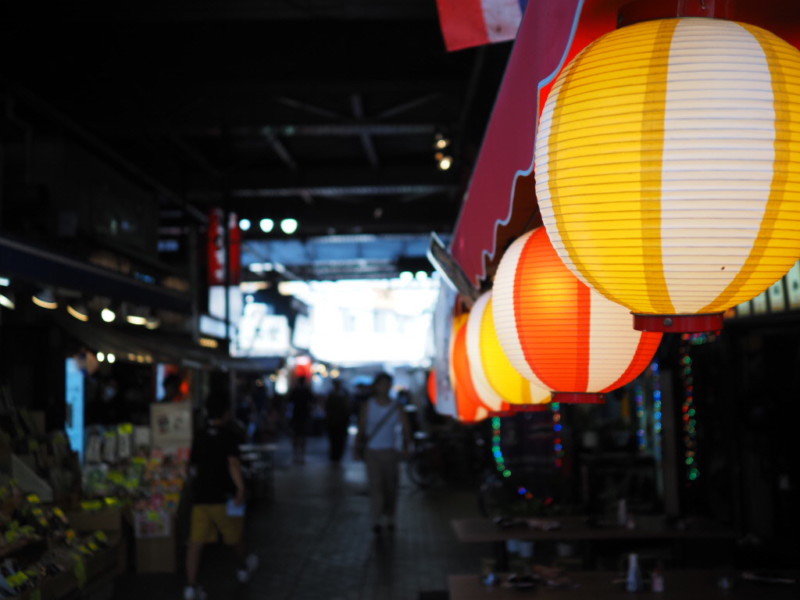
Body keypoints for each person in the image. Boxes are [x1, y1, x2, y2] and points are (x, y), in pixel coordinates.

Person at [184, 394, 258, 600]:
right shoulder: (229, 435)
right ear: (225, 413)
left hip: (201, 496)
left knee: (195, 543)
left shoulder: (199, 435)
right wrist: (241, 489)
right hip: (223, 497)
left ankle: (191, 586)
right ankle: (244, 566)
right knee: (234, 537)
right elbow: (233, 464)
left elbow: (192, 467)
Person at [357, 372, 411, 534]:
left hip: (390, 452)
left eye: (387, 384)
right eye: (382, 384)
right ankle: (377, 518)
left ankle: (390, 515)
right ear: (376, 386)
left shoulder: (396, 406)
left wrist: (407, 446)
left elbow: (406, 428)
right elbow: (361, 427)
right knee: (376, 487)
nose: (384, 387)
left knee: (391, 487)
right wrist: (357, 447)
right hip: (372, 452)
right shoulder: (368, 405)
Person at [288, 376, 314, 464]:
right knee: (300, 436)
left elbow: (289, 401)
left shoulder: (298, 390)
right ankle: (299, 455)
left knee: (298, 436)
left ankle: (298, 454)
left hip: (299, 415)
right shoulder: (304, 391)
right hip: (301, 415)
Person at [324, 379, 351, 462]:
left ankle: (337, 456)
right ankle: (334, 456)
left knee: (340, 440)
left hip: (341, 421)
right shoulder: (331, 394)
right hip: (333, 421)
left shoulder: (344, 393)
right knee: (334, 440)